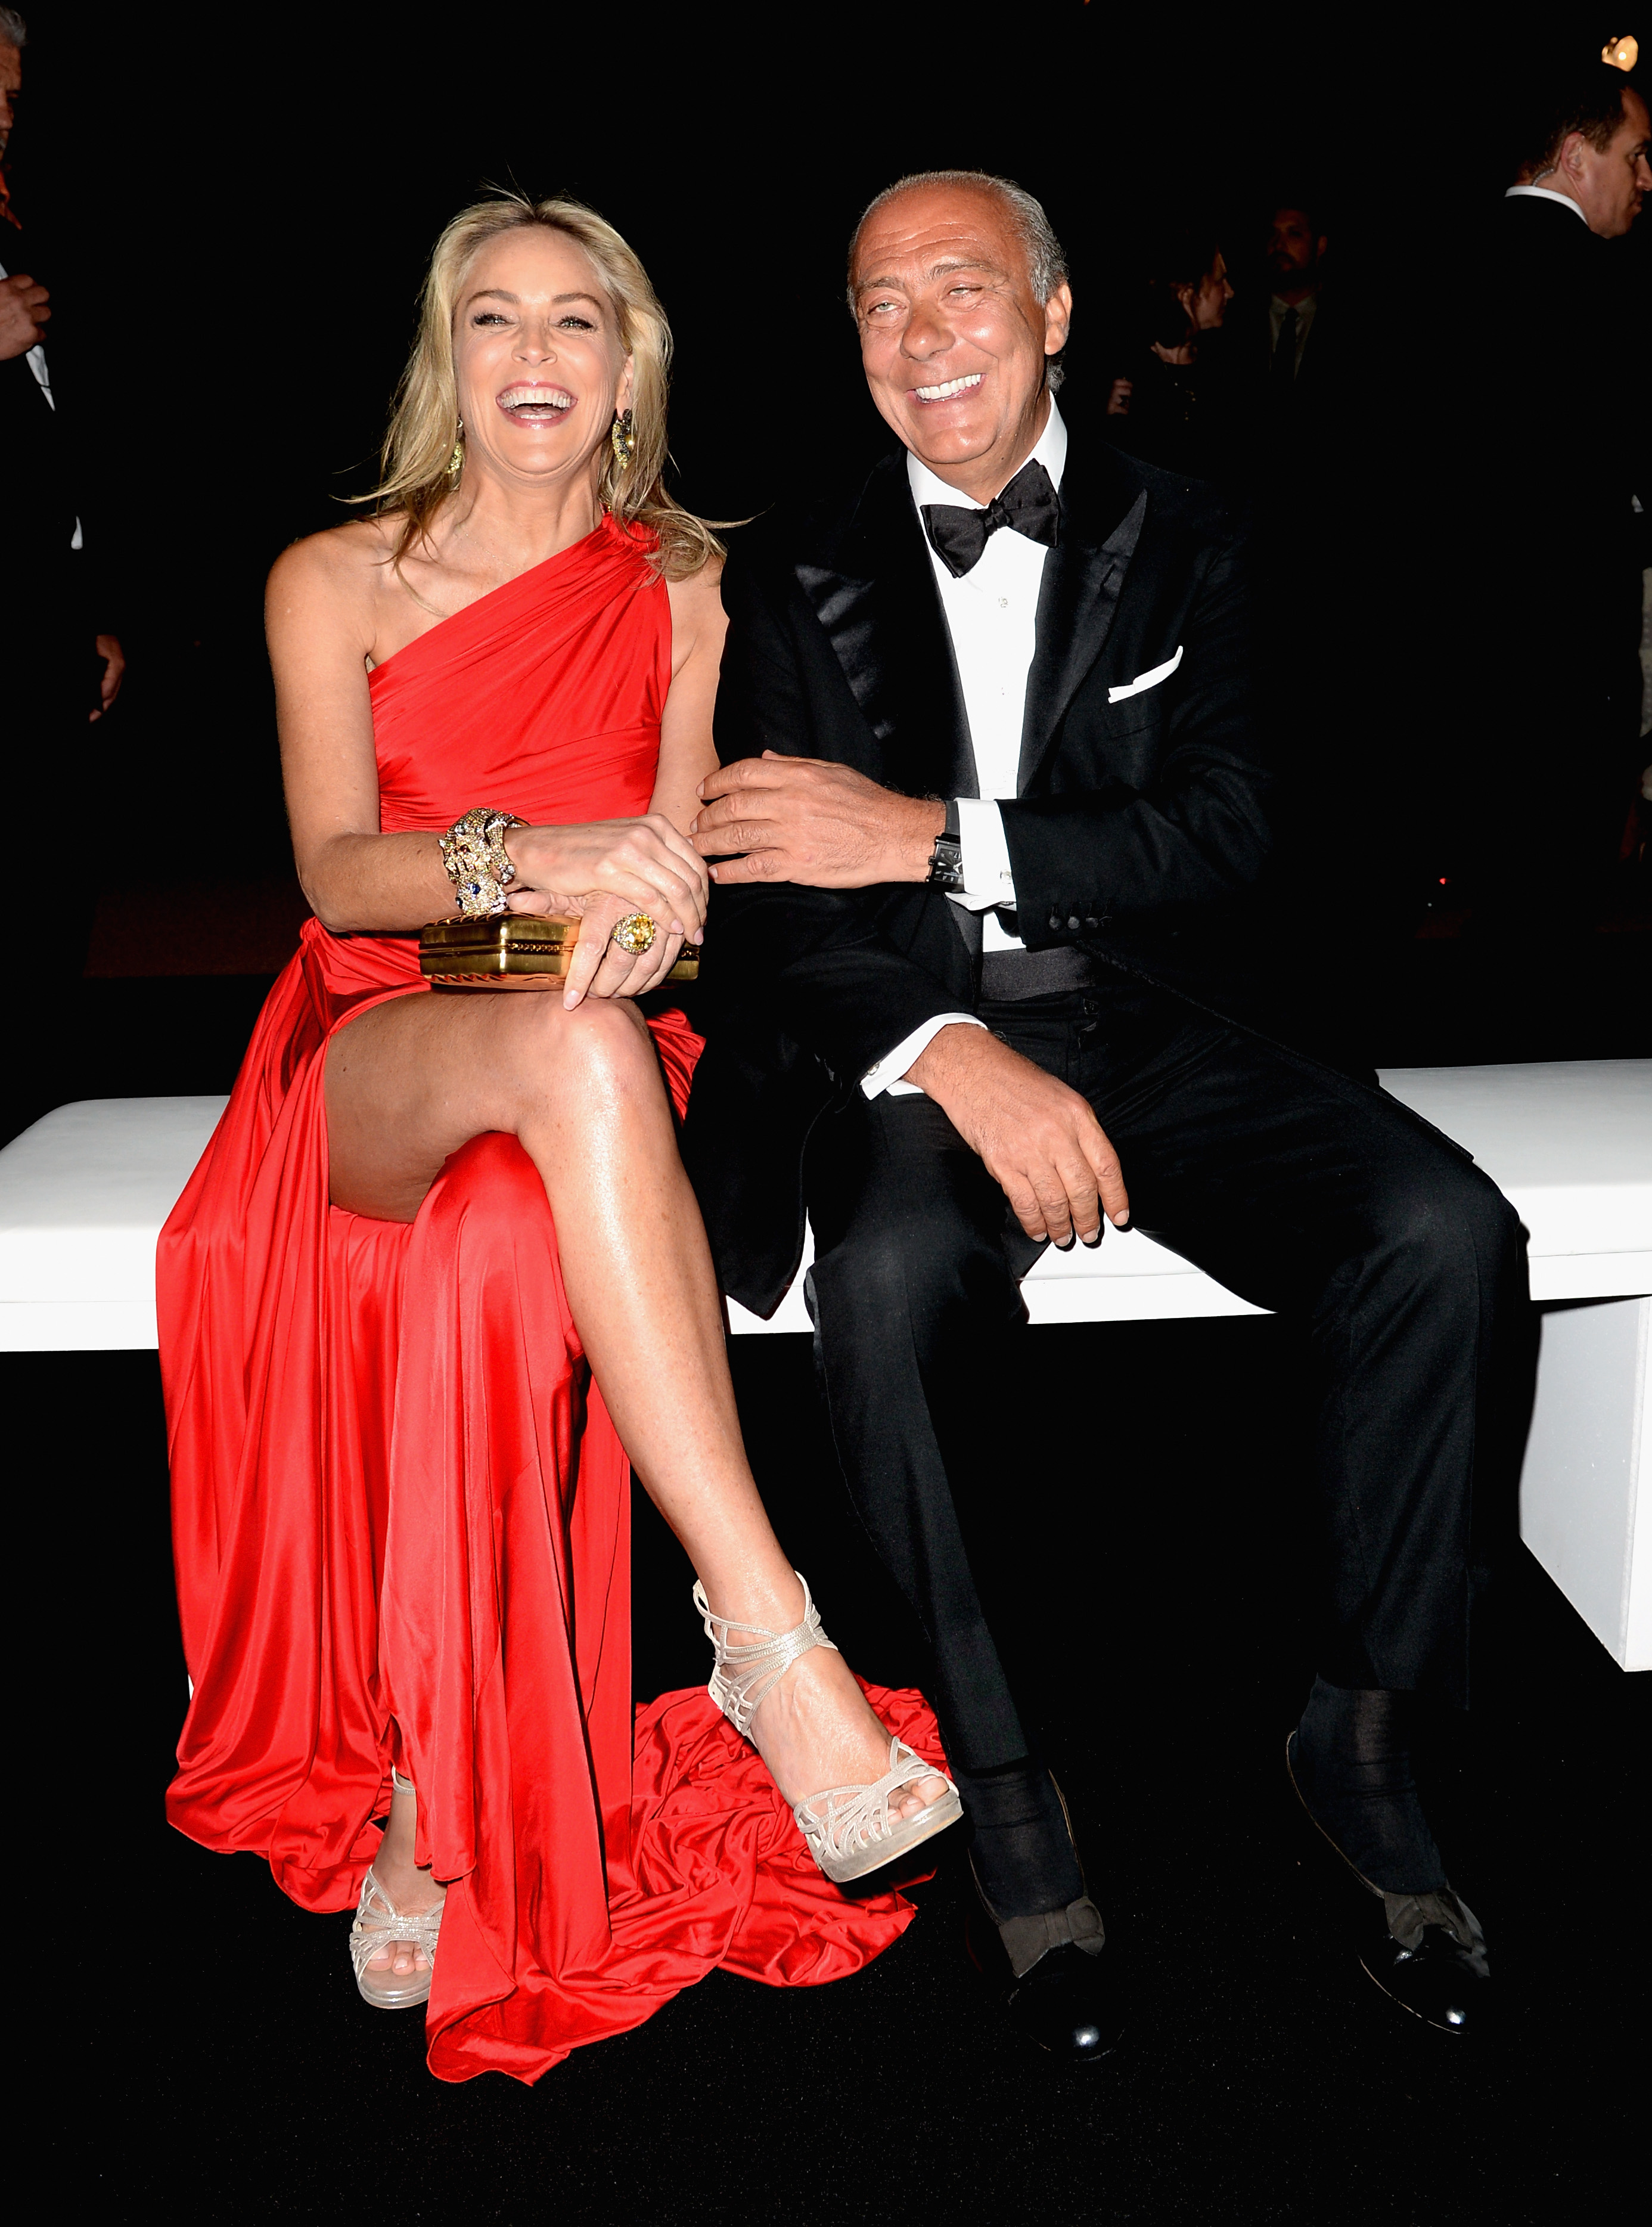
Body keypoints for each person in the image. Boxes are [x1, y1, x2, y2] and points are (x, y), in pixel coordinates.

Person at [685, 169, 1527, 2062]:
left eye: (962, 289)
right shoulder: (795, 561)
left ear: (1056, 311)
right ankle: (1003, 1780)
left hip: (1165, 1017)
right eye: (879, 304)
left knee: (1441, 1235)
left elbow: (1241, 831)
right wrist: (950, 1053)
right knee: (887, 1278)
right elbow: (773, 905)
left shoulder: (1206, 526)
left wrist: (934, 835)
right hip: (916, 1041)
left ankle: (1364, 1731)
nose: (921, 337)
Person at [159, 193, 958, 2086]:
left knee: (524, 1208)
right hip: (371, 1043)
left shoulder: (682, 586)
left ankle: (433, 1792)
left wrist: (624, 923)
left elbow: (677, 910)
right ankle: (770, 1636)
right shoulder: (332, 579)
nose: (535, 353)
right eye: (494, 318)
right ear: (449, 360)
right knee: (567, 1058)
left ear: (630, 367)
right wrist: (539, 868)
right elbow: (337, 875)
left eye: (576, 320)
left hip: (601, 1040)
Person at [1469, 61, 1651, 935]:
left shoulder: (1426, 275)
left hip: (1463, 683)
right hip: (1571, 687)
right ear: (1578, 157)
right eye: (1637, 155)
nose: (1647, 179)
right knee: (1560, 932)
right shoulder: (1610, 291)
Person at [0, 7, 125, 751]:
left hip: (44, 629)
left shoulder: (21, 232)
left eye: (11, 99)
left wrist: (88, 616)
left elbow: (63, 445)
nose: (3, 119)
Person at [1102, 224, 1237, 483]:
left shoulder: (1226, 365)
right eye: (1220, 281)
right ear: (1187, 294)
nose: (1230, 292)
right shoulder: (1127, 371)